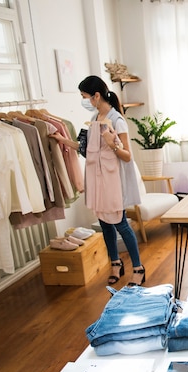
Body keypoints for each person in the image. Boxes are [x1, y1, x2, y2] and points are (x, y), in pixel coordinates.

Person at [49, 75, 146, 287]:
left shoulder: (117, 120)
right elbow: (86, 149)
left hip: (113, 181)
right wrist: (63, 140)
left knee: (120, 223)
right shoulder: (94, 119)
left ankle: (138, 267)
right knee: (104, 222)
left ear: (96, 95)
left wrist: (113, 145)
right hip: (98, 180)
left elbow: (127, 156)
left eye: (84, 96)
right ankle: (115, 263)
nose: (84, 100)